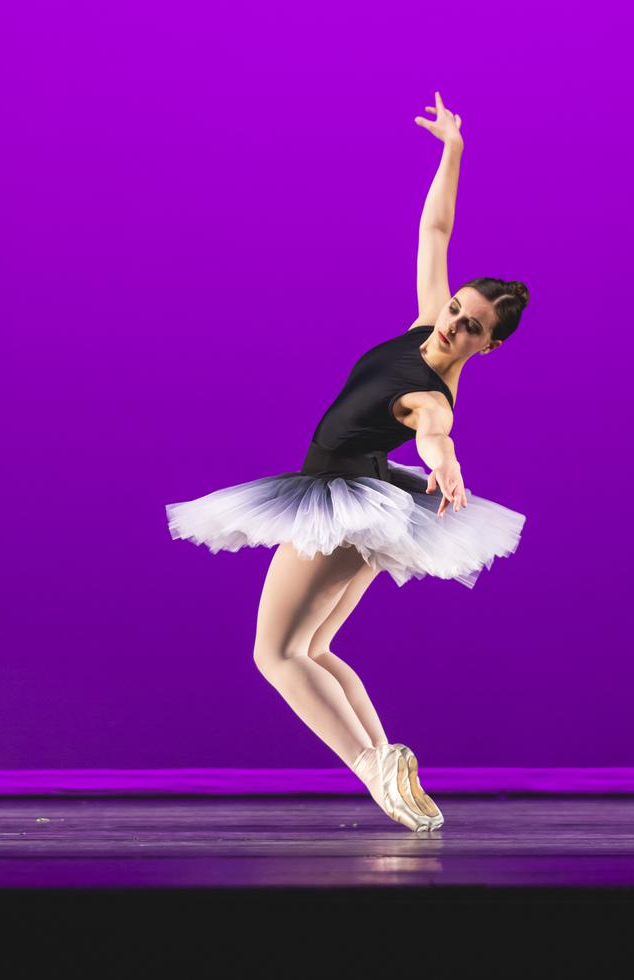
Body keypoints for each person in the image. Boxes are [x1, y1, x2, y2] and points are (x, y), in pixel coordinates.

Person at [164, 93, 528, 833]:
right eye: (458, 309)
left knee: (275, 654)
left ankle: (372, 771)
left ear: (486, 347)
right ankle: (386, 761)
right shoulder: (426, 323)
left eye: (471, 329)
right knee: (314, 646)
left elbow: (433, 432)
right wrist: (453, 150)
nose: (453, 323)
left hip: (343, 497)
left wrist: (447, 462)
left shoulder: (433, 394)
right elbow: (435, 229)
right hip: (359, 496)